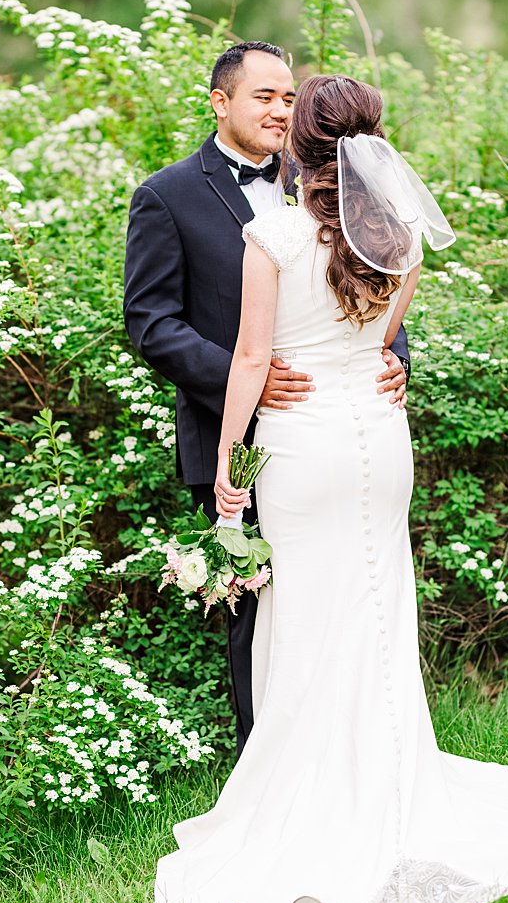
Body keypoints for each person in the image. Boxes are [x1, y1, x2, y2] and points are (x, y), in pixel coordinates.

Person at [152, 73, 508, 903]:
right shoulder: (398, 234)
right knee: (379, 608)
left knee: (307, 613)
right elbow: (377, 345)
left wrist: (233, 471)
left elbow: (255, 358)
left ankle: (317, 796)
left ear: (301, 145)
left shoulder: (270, 232)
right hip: (379, 440)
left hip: (301, 445)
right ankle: (391, 781)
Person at [122, 40, 409, 754]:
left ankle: (354, 754)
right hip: (240, 428)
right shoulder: (167, 195)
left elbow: (372, 293)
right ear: (220, 101)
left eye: (289, 96)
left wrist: (392, 356)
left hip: (335, 423)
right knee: (257, 605)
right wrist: (241, 377)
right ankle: (267, 763)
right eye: (264, 96)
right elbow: (151, 322)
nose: (280, 109)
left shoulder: (328, 180)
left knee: (351, 591)